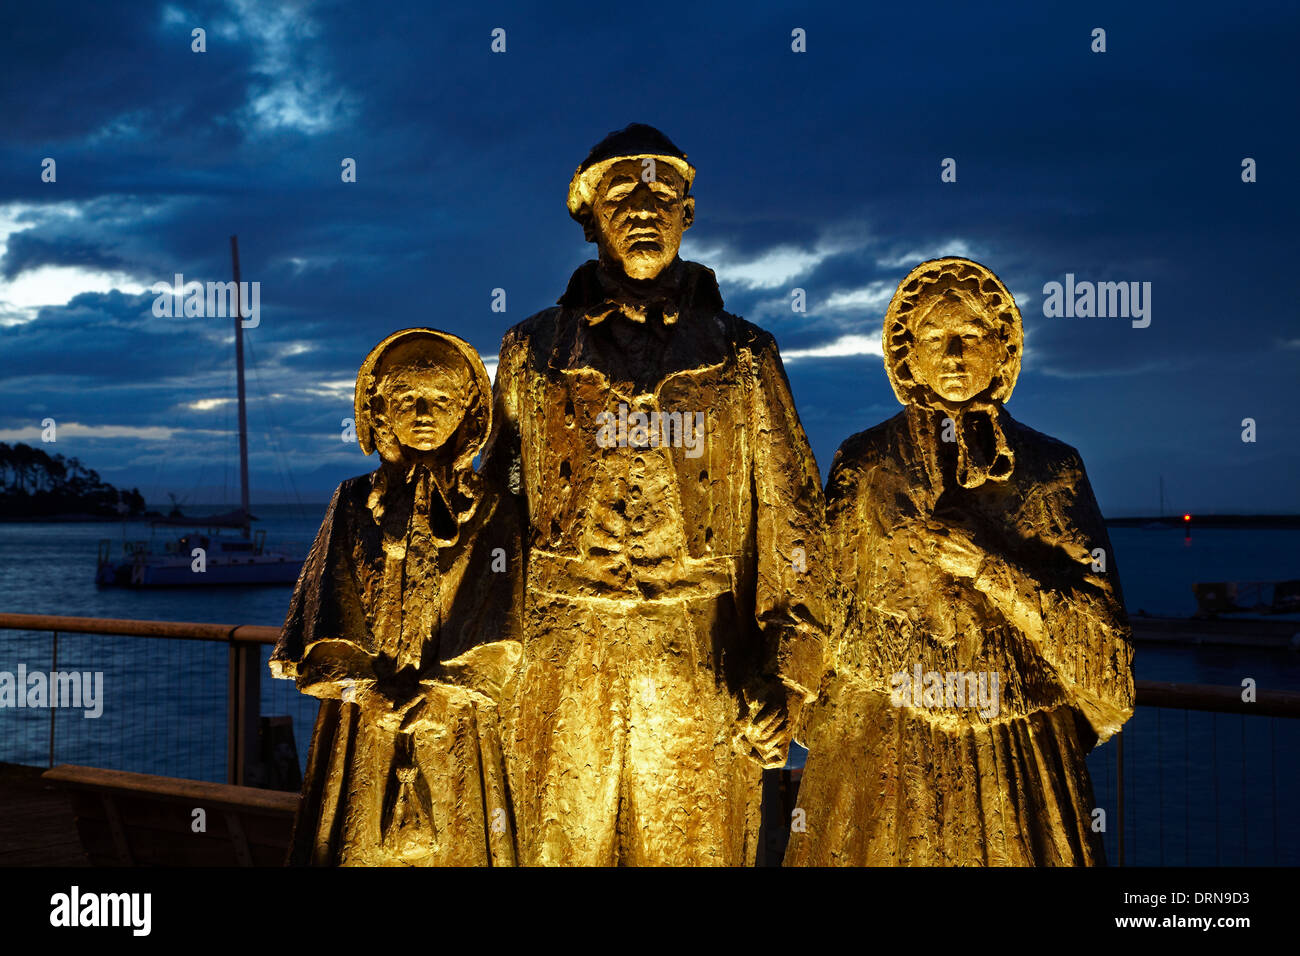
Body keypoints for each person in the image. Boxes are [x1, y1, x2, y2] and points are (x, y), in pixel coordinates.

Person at [486, 124, 827, 865]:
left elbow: (794, 520)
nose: (645, 205)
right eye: (622, 190)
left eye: (663, 191)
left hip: (698, 656)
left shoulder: (743, 355)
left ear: (689, 212)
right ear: (587, 214)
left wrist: (788, 673)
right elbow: (495, 517)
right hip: (558, 655)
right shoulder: (533, 351)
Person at [786, 258, 1133, 866]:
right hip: (878, 739)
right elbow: (814, 602)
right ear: (907, 356)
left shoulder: (1053, 468)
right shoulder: (865, 464)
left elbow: (1103, 637)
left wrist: (990, 569)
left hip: (1016, 746)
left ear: (1003, 348)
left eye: (970, 335)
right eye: (933, 336)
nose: (952, 354)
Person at [270, 328, 522, 866]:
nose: (424, 413)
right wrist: (364, 687)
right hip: (363, 717)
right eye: (407, 400)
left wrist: (445, 689)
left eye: (440, 400)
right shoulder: (354, 500)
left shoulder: (491, 507)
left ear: (468, 412)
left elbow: (501, 610)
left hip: (456, 717)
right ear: (380, 410)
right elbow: (330, 604)